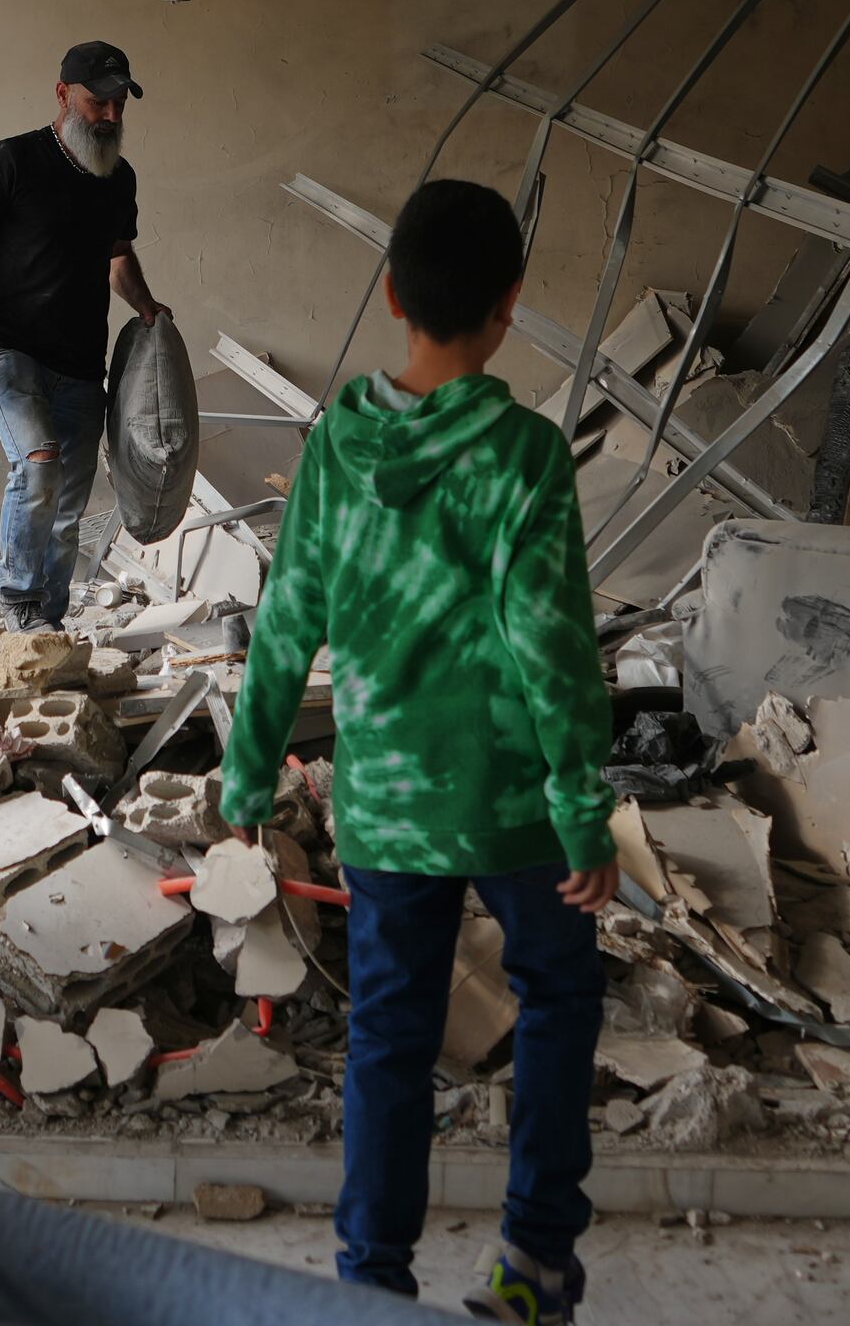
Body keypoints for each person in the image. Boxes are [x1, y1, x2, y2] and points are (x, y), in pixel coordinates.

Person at [216, 178, 616, 1324]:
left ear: (392, 295)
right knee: (556, 996)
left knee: (390, 1032)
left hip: (387, 804)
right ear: (511, 305)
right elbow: (553, 648)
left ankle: (372, 1285)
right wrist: (584, 812)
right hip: (515, 805)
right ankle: (535, 1263)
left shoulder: (337, 446)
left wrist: (249, 773)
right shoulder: (526, 456)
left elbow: (287, 615)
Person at [0, 40, 168, 628]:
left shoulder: (120, 179)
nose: (112, 116)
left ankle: (50, 622)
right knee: (40, 465)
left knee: (69, 503)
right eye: (100, 103)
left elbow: (118, 257)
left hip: (82, 365)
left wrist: (146, 307)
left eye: (121, 104)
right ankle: (18, 601)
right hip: (8, 349)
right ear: (64, 95)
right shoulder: (13, 161)